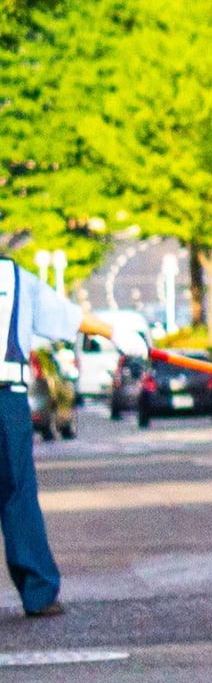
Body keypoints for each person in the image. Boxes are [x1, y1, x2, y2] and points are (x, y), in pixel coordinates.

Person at [0, 232, 77, 617]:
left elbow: (68, 317)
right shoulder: (15, 279)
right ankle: (38, 590)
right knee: (17, 494)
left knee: (18, 493)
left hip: (8, 396)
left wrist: (116, 333)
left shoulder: (18, 280)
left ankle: (38, 589)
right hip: (7, 400)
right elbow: (69, 318)